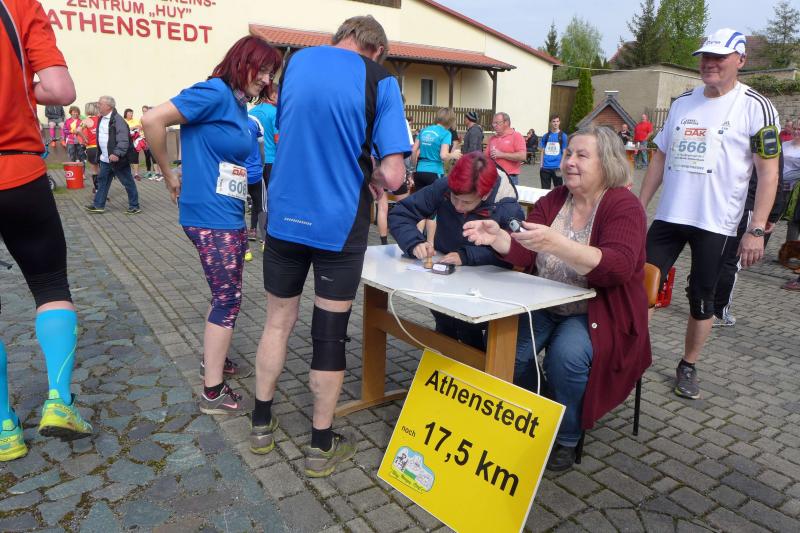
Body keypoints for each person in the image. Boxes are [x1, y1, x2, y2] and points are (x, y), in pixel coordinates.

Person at [252, 15, 409, 477]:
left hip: (284, 216)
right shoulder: (381, 79)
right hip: (338, 225)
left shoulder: (296, 64)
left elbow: (289, 130)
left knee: (277, 322)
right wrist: (373, 174)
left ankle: (261, 422)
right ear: (376, 49)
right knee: (328, 334)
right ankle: (320, 444)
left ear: (340, 37)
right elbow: (394, 174)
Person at [464, 125, 650, 472]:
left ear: (607, 163)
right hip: (544, 302)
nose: (570, 161)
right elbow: (525, 249)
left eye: (582, 155)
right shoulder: (554, 199)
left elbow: (618, 267)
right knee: (505, 350)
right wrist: (499, 238)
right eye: (568, 154)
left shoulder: (624, 205)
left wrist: (557, 244)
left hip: (596, 311)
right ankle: (543, 409)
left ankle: (566, 436)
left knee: (566, 358)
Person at [142, 37, 282, 416]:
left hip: (225, 213)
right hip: (210, 216)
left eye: (271, 73)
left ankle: (214, 361)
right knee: (227, 300)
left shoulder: (235, 101)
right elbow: (152, 120)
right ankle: (213, 391)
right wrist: (168, 173)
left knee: (223, 295)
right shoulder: (214, 92)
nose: (266, 79)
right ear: (242, 61)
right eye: (262, 69)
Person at [639, 29, 780, 400]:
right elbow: (660, 157)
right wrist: (639, 206)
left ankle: (688, 365)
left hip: (718, 223)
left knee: (702, 299)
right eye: (705, 56)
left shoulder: (756, 106)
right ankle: (631, 353)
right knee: (641, 286)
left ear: (741, 60)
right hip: (670, 216)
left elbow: (769, 173)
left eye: (719, 57)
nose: (709, 63)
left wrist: (757, 229)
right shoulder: (682, 103)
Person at [1, 0, 93, 462]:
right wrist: (22, 87)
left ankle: (4, 427)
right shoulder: (18, 5)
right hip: (18, 170)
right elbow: (59, 89)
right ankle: (59, 400)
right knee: (50, 285)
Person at [389, 152, 524, 349]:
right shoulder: (445, 186)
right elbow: (401, 214)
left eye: (467, 202)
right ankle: (447, 359)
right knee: (445, 325)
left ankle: (473, 360)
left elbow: (517, 255)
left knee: (469, 331)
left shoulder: (507, 206)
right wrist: (414, 242)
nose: (458, 206)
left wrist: (466, 255)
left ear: (485, 195)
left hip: (486, 287)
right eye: (454, 198)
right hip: (444, 277)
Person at [85, 96, 141, 215]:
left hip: (117, 159)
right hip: (105, 159)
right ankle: (98, 205)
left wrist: (117, 153)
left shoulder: (118, 120)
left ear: (108, 106)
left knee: (127, 182)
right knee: (103, 182)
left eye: (100, 103)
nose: (98, 105)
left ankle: (134, 206)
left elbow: (123, 139)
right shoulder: (101, 118)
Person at [412, 107, 461, 244]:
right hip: (434, 172)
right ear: (450, 120)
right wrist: (454, 155)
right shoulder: (446, 133)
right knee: (432, 211)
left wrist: (414, 167)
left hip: (420, 171)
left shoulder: (424, 130)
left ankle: (416, 242)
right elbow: (443, 156)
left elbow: (414, 150)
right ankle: (430, 244)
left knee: (421, 207)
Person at [248, 84, 279, 241]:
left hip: (256, 161)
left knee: (258, 197)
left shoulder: (251, 112)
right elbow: (277, 138)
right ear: (272, 95)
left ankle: (253, 230)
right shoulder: (275, 112)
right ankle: (267, 233)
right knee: (269, 199)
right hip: (272, 160)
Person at [485, 112, 526, 185]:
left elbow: (522, 156)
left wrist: (501, 154)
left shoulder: (516, 136)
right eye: (493, 123)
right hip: (493, 177)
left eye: (497, 123)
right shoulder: (493, 138)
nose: (494, 126)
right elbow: (485, 157)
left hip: (509, 177)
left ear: (506, 123)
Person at [244, 113, 265, 249]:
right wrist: (261, 164)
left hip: (237, 173)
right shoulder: (254, 121)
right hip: (255, 172)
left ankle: (245, 249)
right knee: (260, 205)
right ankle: (264, 240)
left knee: (238, 209)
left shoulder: (227, 120)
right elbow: (261, 147)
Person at [539, 114, 568, 189]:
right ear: (550, 123)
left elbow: (565, 151)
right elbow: (542, 151)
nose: (555, 123)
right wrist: (541, 165)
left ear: (559, 122)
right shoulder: (545, 136)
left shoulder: (563, 136)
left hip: (557, 168)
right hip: (545, 167)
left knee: (559, 190)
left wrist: (561, 164)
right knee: (544, 190)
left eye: (557, 121)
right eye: (554, 121)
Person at [81, 102, 100, 192]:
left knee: (94, 170)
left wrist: (84, 138)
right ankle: (103, 190)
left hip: (91, 148)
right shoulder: (101, 119)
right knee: (103, 169)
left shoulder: (85, 121)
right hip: (101, 147)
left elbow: (77, 130)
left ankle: (97, 189)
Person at [140, 106, 159, 179]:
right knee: (147, 157)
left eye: (145, 111)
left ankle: (156, 172)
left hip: (152, 140)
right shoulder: (142, 119)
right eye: (143, 111)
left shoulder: (152, 119)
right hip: (144, 140)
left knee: (153, 156)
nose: (144, 112)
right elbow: (141, 129)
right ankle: (149, 172)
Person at [123, 108, 142, 180]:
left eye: (132, 113)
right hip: (125, 142)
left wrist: (132, 128)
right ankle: (127, 173)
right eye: (129, 113)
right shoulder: (123, 121)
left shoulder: (135, 120)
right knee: (126, 158)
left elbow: (139, 127)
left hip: (135, 142)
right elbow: (123, 129)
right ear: (126, 114)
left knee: (135, 158)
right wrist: (133, 127)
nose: (131, 114)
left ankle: (136, 174)